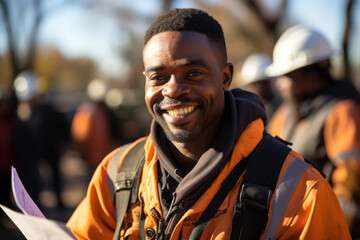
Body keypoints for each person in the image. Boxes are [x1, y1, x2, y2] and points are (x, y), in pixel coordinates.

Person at [67, 9, 351, 239]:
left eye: (193, 73)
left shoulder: (301, 194)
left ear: (225, 77)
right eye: (158, 77)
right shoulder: (116, 173)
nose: (173, 89)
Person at [266, 24, 360, 238]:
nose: (279, 84)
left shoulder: (343, 112)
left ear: (312, 76)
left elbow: (350, 187)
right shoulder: (287, 110)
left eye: (286, 76)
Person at [71, 79, 119, 172]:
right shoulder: (87, 113)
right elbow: (81, 138)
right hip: (93, 160)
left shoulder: (103, 112)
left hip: (104, 158)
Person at [233, 53, 282, 120]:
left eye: (257, 84)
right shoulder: (248, 113)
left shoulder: (282, 111)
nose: (255, 89)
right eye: (251, 85)